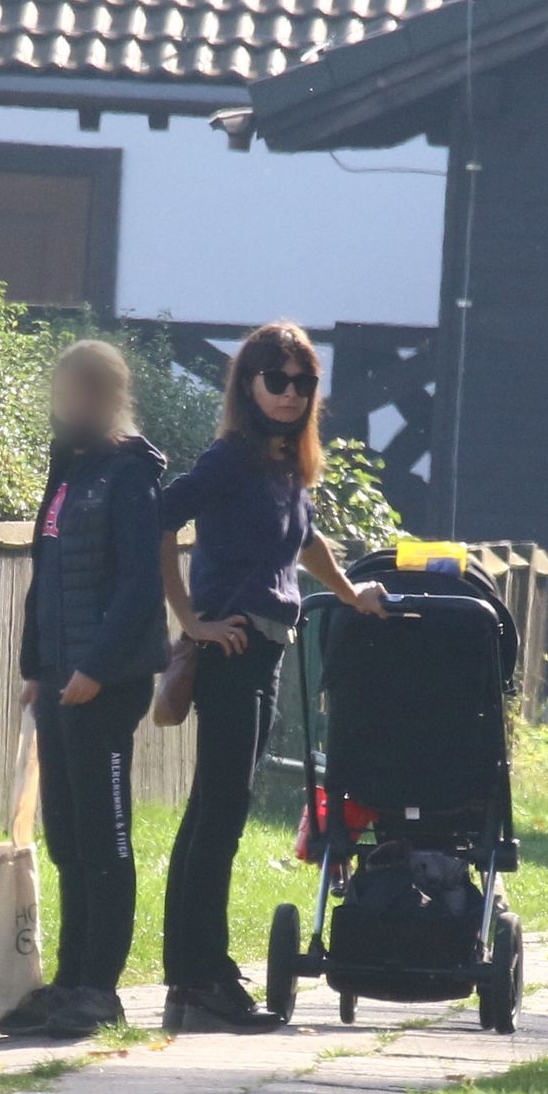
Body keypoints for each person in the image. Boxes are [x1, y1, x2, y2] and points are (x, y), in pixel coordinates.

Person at [156, 322, 389, 1033]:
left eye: (302, 383)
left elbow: (305, 538)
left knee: (210, 816)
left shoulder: (284, 463)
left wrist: (351, 594)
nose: (289, 395)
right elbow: (159, 519)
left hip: (263, 649)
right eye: (276, 380)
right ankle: (202, 983)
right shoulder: (230, 457)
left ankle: (193, 983)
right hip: (230, 650)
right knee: (217, 822)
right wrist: (190, 620)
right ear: (248, 384)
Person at [0, 340, 169, 1040]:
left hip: (107, 682)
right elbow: (45, 572)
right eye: (63, 393)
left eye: (83, 394)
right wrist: (36, 669)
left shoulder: (130, 476)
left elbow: (137, 585)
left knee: (105, 837)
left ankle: (100, 988)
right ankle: (68, 981)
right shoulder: (68, 469)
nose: (69, 406)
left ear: (109, 398)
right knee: (67, 839)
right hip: (61, 682)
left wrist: (94, 668)